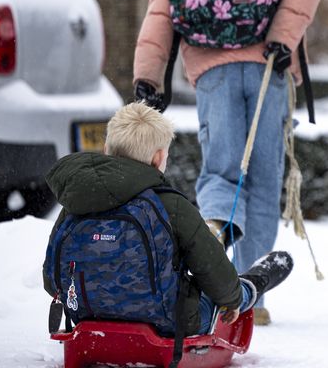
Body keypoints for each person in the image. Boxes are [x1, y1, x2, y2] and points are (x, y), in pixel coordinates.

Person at [132, 0, 328, 326]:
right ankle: (251, 297)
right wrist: (282, 37)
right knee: (261, 178)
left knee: (221, 171)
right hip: (268, 71)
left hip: (212, 72)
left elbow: (160, 11)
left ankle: (215, 240)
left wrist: (148, 77)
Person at [41, 102, 293, 336]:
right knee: (220, 292)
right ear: (159, 158)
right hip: (167, 321)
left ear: (106, 150)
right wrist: (229, 298)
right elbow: (210, 264)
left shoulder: (78, 202)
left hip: (87, 315)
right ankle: (252, 285)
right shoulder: (170, 204)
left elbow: (51, 279)